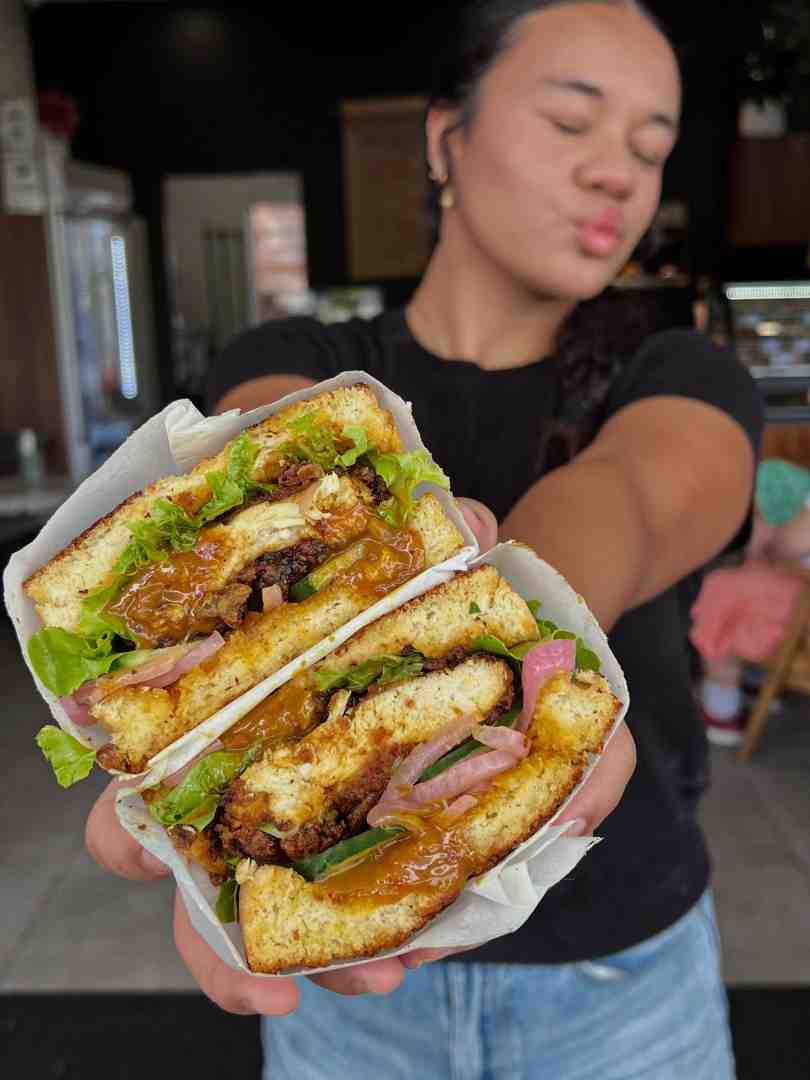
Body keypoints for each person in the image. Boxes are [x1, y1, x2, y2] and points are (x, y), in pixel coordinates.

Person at [85, 1, 763, 1076]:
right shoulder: (298, 351)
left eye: (651, 146)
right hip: (346, 1007)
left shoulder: (684, 372)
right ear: (447, 135)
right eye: (574, 121)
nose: (619, 175)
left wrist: (529, 650)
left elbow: (625, 498)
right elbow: (268, 442)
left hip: (623, 985)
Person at [692, 458, 810, 746]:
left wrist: (770, 543)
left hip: (798, 612)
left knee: (721, 592)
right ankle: (759, 682)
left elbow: (790, 544)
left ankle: (721, 711)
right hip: (798, 608)